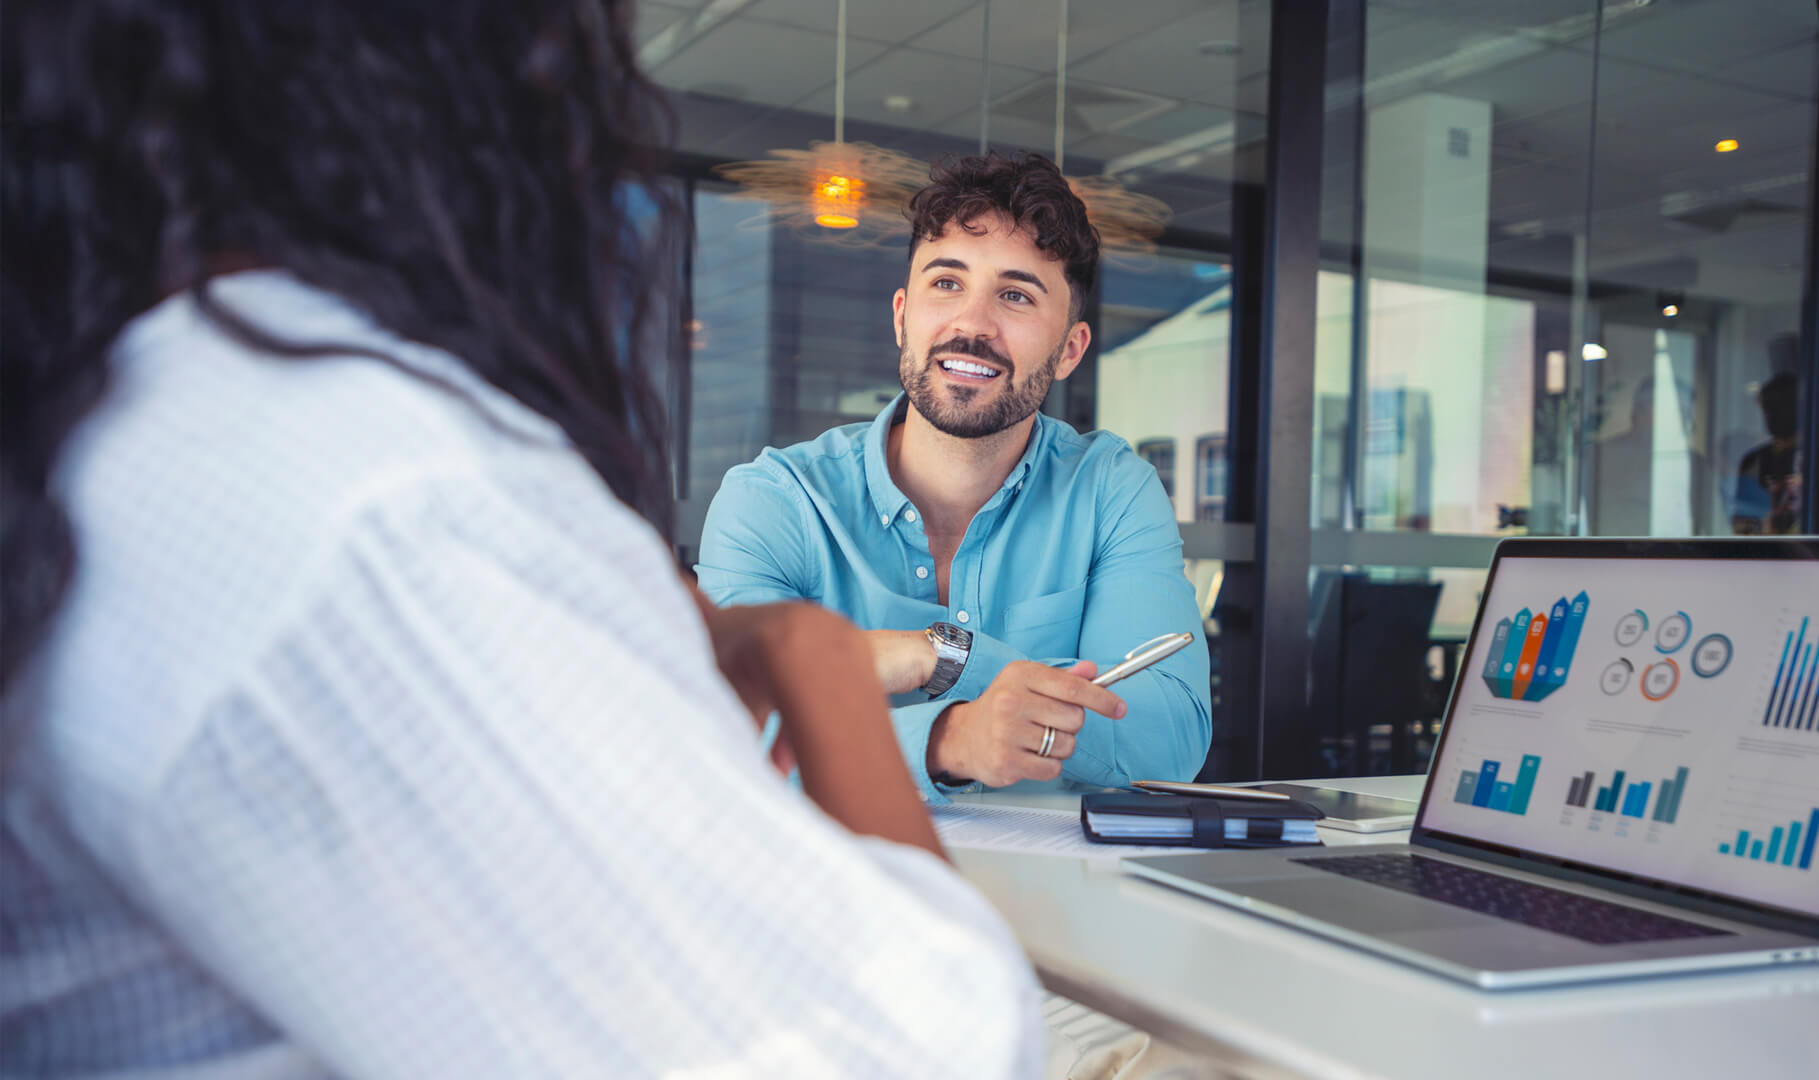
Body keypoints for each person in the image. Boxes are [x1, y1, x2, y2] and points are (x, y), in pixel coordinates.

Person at [0, 2, 1043, 1075]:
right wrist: (823, 663)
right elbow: (918, 1048)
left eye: (1019, 294)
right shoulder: (371, 490)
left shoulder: (128, 410)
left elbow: (1153, 729)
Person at [697, 152, 1211, 799]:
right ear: (901, 317)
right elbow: (718, 731)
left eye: (1016, 295)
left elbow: (1166, 740)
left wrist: (944, 657)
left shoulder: (1111, 491)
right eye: (946, 283)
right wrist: (949, 737)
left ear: (1070, 350)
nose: (972, 324)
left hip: (1060, 898)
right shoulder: (775, 502)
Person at [1731, 373, 1801, 536]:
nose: (1772, 415)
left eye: (1782, 406)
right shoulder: (1753, 461)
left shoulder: (1816, 458)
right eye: (1768, 408)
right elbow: (1741, 523)